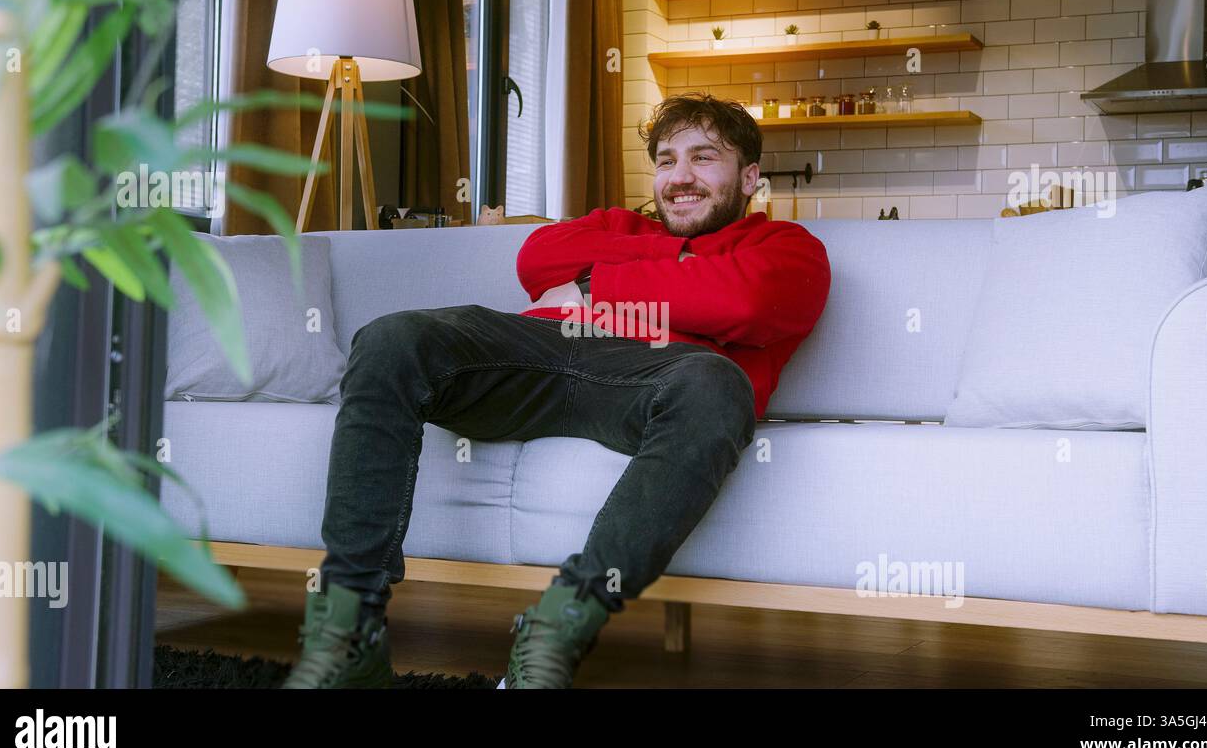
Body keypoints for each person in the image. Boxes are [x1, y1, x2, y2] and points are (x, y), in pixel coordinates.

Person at [283, 93, 831, 689]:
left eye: (704, 158)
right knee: (392, 338)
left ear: (750, 177)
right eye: (667, 160)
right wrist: (674, 260)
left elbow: (742, 300)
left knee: (716, 383)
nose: (680, 178)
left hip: (659, 378)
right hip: (538, 353)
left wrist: (592, 283)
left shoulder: (787, 246)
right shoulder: (615, 223)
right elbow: (536, 257)